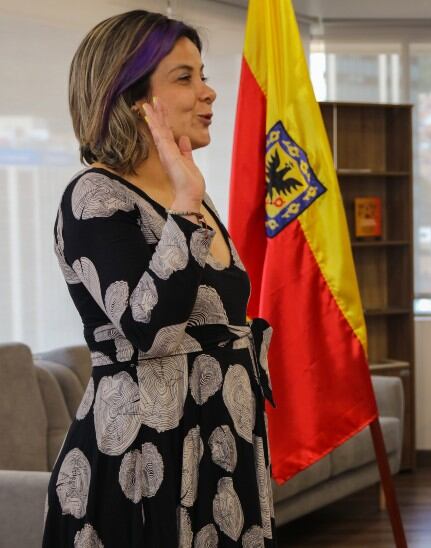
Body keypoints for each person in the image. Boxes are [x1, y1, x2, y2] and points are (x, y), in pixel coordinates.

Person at [44, 10, 276, 547]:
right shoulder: (93, 196)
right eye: (184, 77)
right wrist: (187, 203)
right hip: (145, 461)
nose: (209, 91)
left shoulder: (187, 194)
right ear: (130, 98)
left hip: (222, 447)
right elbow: (148, 328)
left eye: (203, 73)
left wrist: (187, 198)